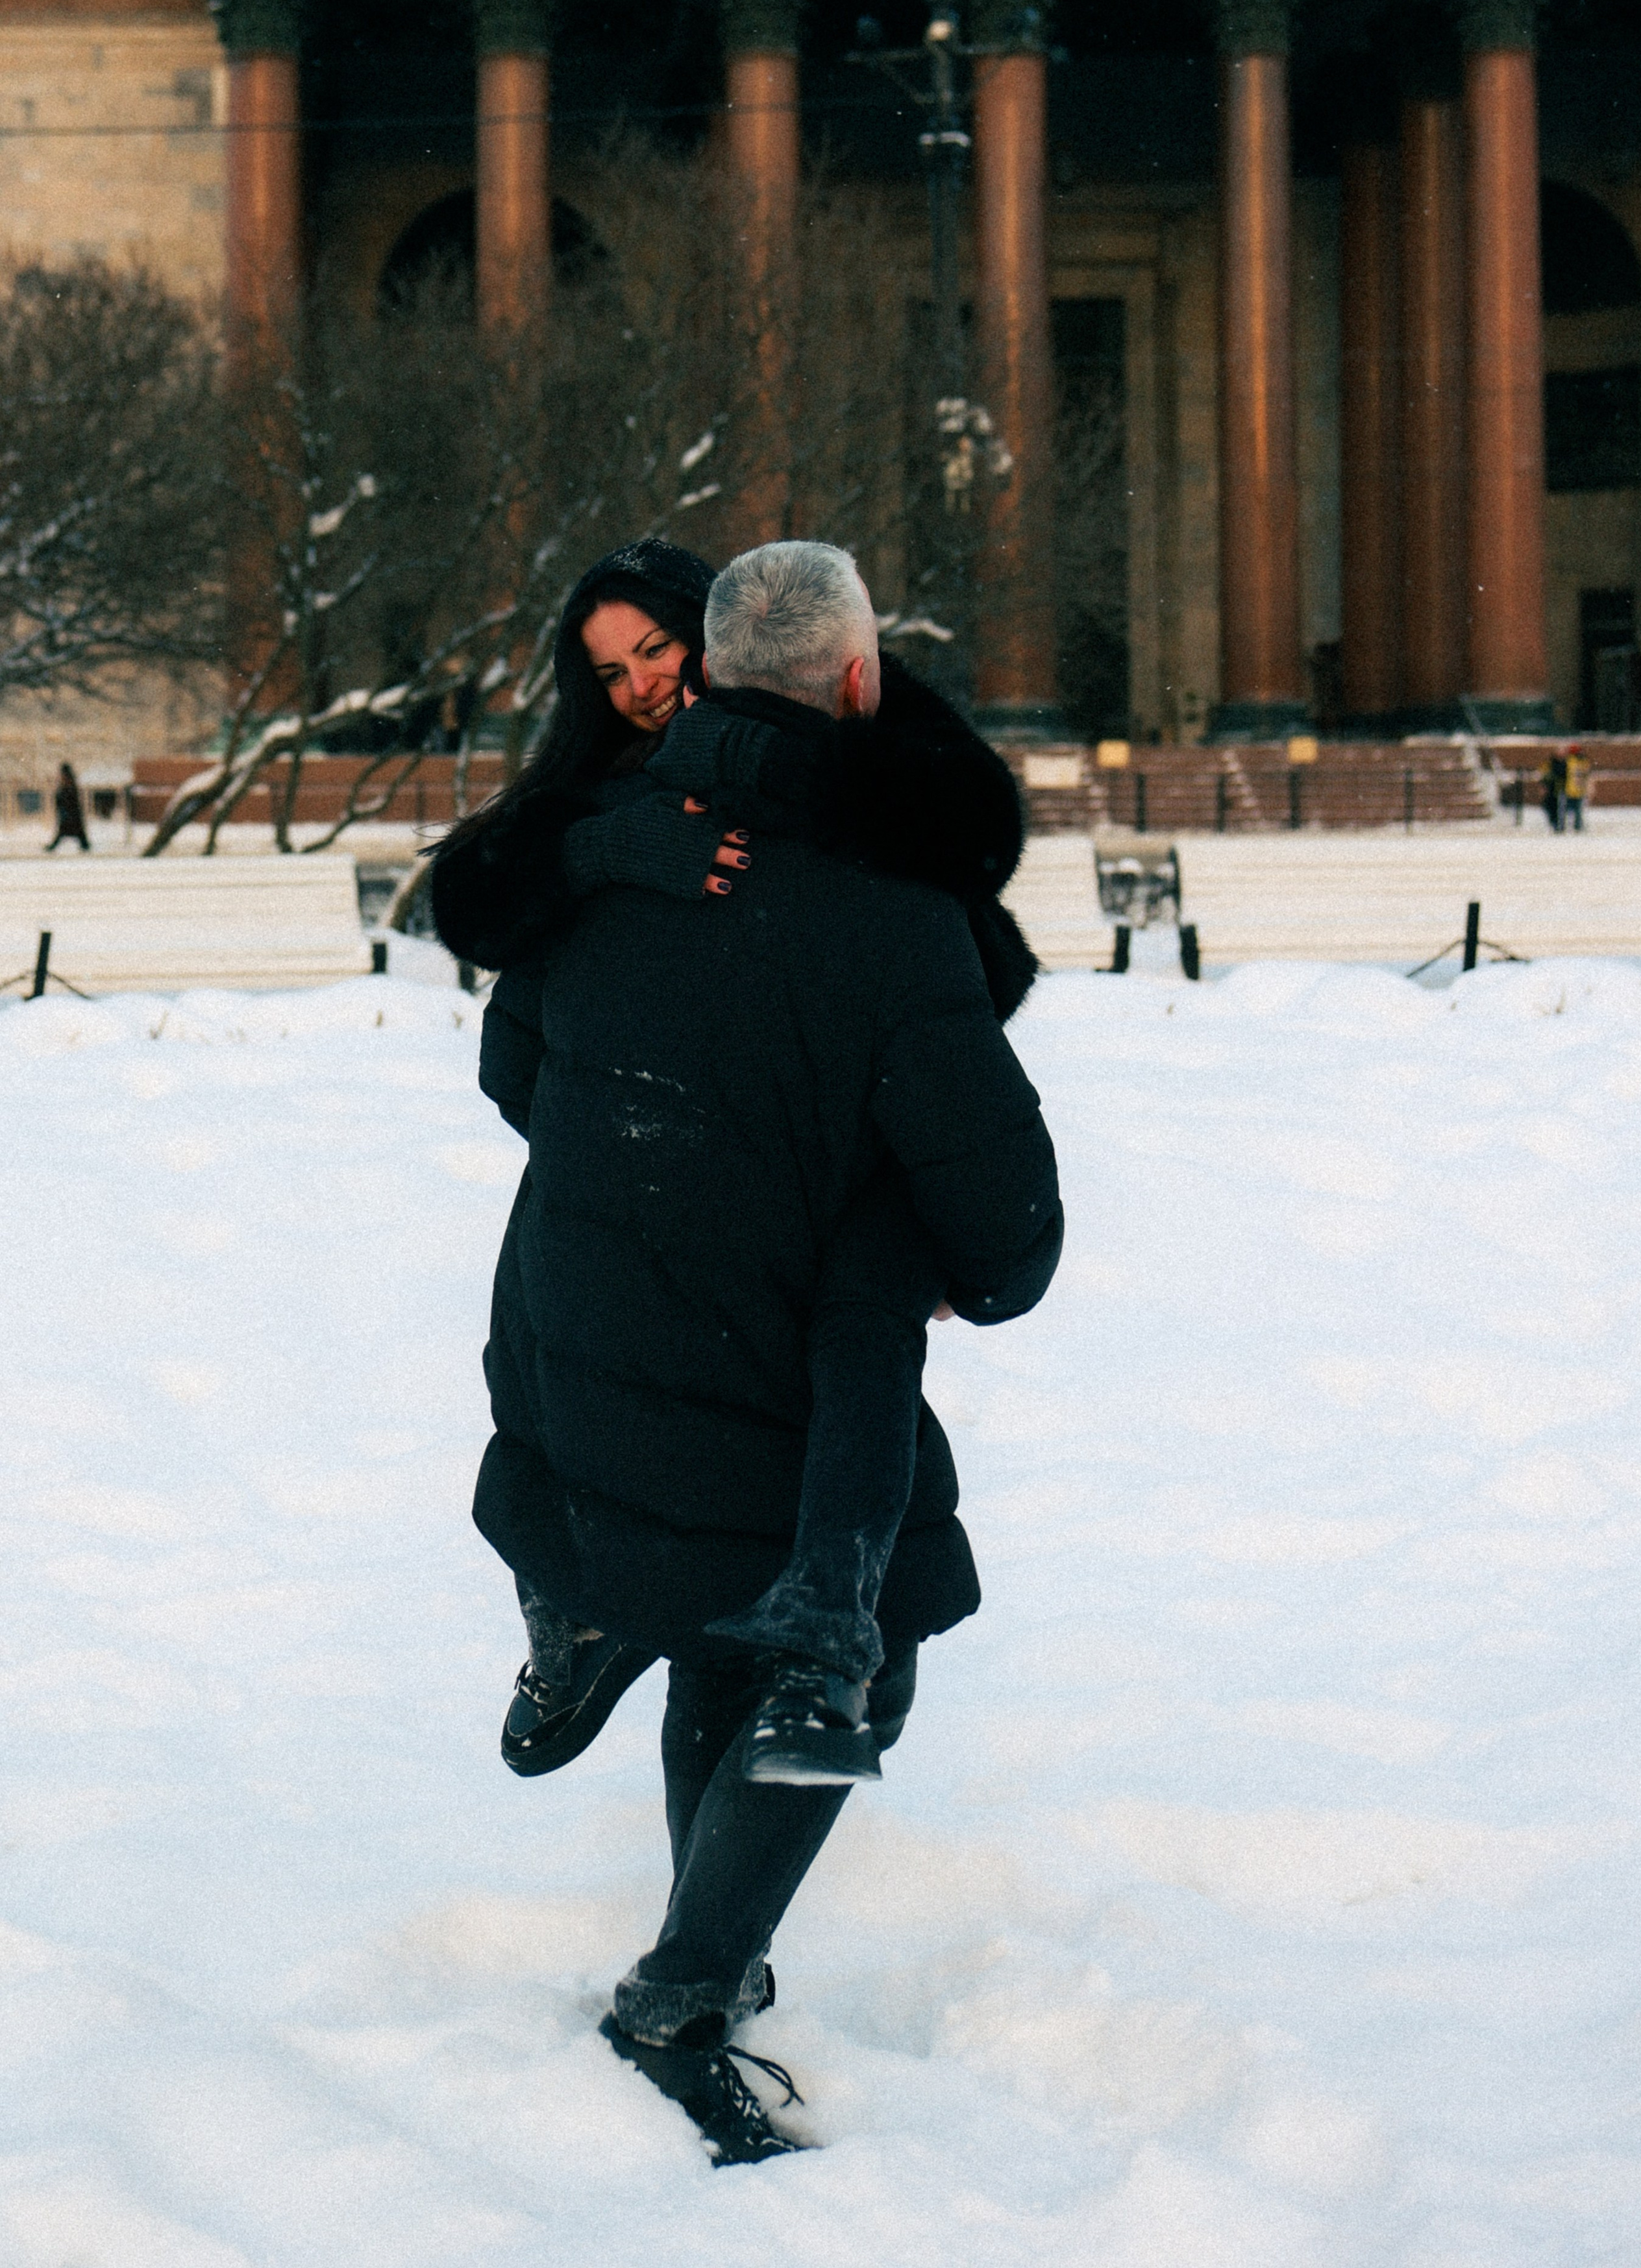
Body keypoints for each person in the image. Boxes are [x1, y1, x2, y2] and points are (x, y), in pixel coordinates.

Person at [441, 540, 1060, 2163]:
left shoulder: (608, 859)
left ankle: (699, 1928)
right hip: (780, 1362)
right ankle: (684, 1985)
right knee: (854, 1648)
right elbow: (1007, 1234)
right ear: (857, 676)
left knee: (720, 1631)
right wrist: (879, 1229)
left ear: (704, 676)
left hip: (592, 1350)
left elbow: (519, 1070)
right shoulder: (891, 902)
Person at [46, 761, 90, 852]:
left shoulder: (68, 784)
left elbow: (68, 799)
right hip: (71, 815)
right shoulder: (69, 784)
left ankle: (85, 845)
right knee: (74, 832)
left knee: (68, 831)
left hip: (70, 815)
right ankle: (85, 845)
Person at [1563, 742, 1589, 831]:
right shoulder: (1581, 762)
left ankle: (1569, 826)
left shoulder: (1569, 761)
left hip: (1572, 789)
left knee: (1571, 810)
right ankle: (1577, 826)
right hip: (1575, 789)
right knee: (1577, 810)